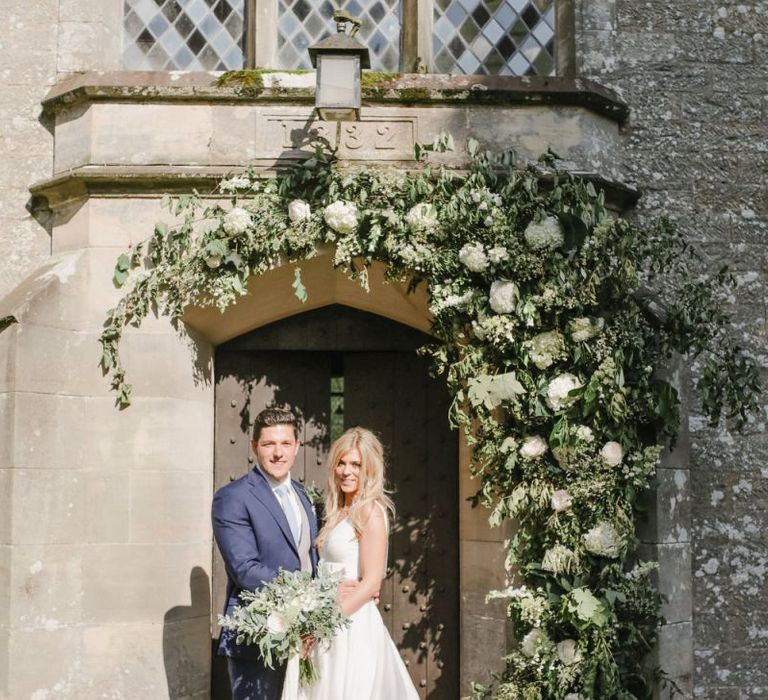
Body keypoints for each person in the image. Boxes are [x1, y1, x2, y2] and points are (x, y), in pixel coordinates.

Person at [281, 427, 420, 700]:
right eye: (341, 463)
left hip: (349, 625)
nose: (347, 471)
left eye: (356, 464)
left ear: (370, 469)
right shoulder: (336, 510)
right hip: (328, 617)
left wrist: (319, 628)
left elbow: (371, 582)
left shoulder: (370, 511)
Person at [212, 408, 318, 700]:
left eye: (285, 443)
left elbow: (309, 558)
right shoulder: (233, 497)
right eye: (269, 444)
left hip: (304, 635)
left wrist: (318, 609)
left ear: (297, 447)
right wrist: (304, 595)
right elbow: (245, 568)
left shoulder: (303, 495)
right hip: (256, 637)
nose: (277, 453)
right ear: (254, 447)